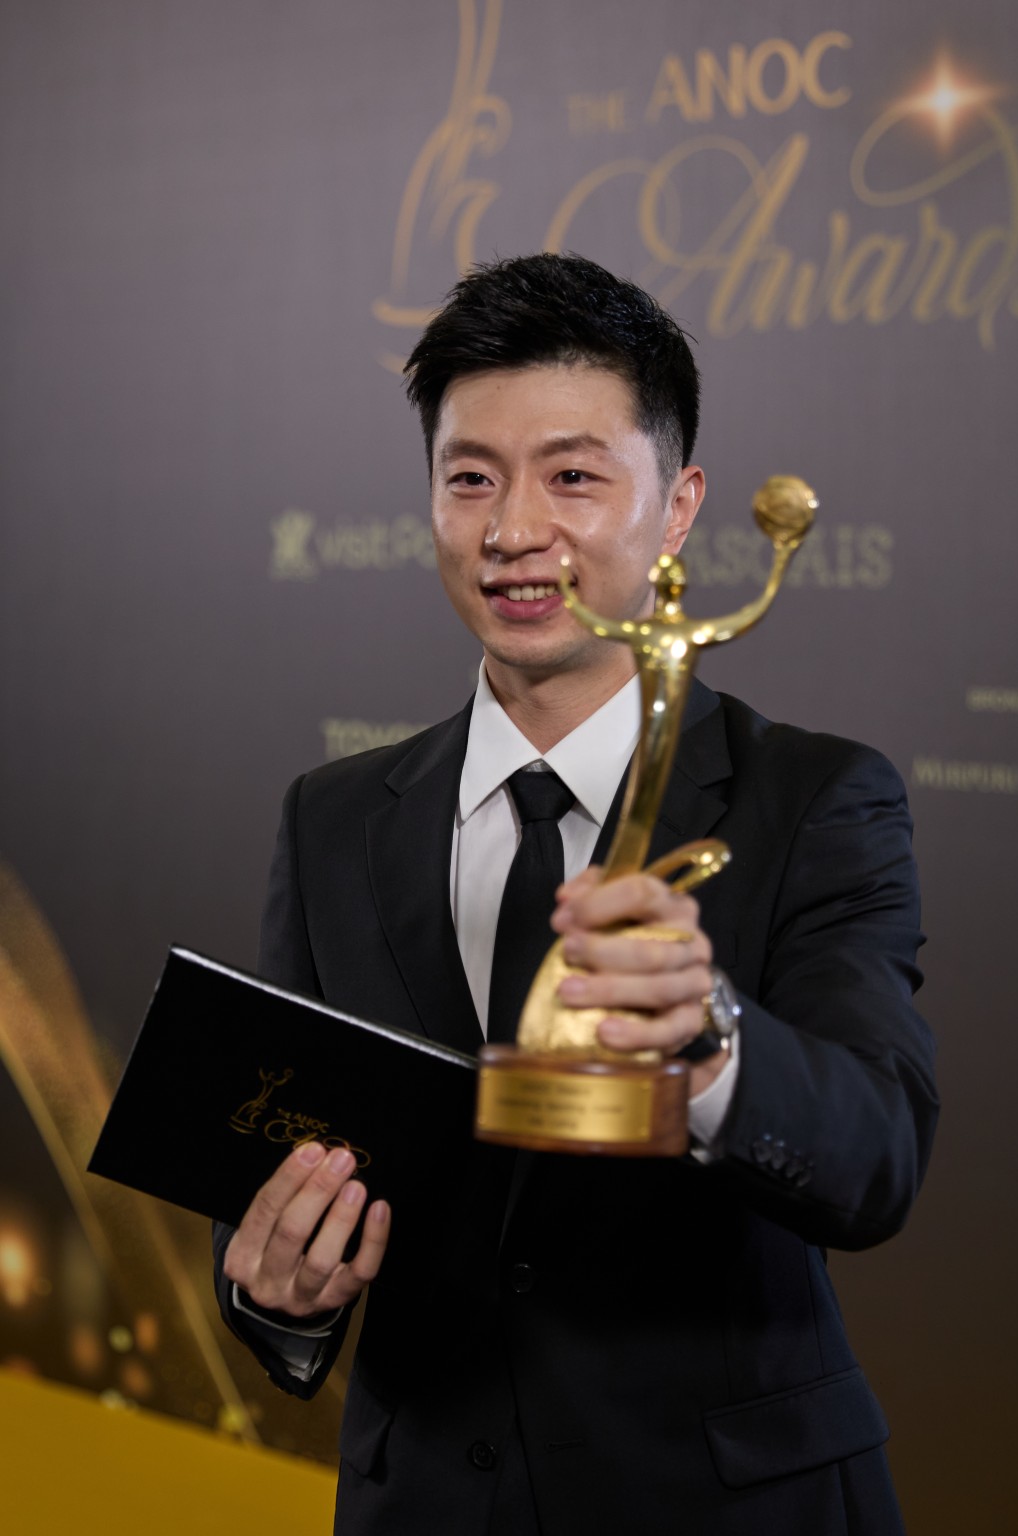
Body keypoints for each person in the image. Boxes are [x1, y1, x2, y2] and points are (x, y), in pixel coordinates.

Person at [214, 253, 937, 1535]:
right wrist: (278, 1294)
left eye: (573, 477)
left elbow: (873, 1156)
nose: (512, 532)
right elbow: (286, 1167)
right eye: (470, 479)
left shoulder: (815, 798)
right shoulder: (330, 819)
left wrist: (705, 1038)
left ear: (677, 507)